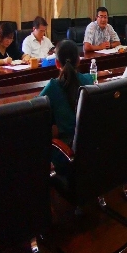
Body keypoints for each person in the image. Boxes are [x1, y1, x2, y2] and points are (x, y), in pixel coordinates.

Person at [39, 40, 93, 172]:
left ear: (57, 63)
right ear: (79, 60)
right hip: (89, 149)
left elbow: (35, 108)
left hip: (65, 154)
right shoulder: (89, 80)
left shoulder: (53, 87)